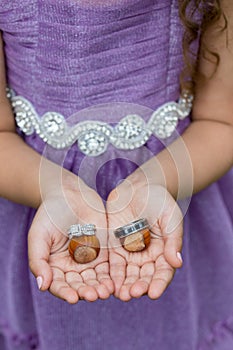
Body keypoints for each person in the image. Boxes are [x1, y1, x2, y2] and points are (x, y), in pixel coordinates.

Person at [0, 0, 232, 349]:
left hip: (179, 195)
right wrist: (56, 191)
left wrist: (154, 183)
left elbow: (221, 121)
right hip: (32, 201)